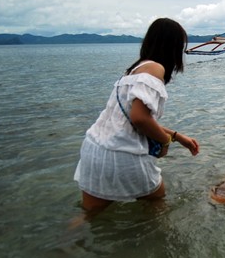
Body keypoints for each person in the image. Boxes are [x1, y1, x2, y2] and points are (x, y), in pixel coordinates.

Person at [73, 18, 200, 220]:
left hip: (95, 149)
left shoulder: (135, 70)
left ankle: (64, 248)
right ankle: (160, 245)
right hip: (122, 152)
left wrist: (177, 136)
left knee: (89, 216)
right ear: (172, 46)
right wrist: (165, 141)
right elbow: (140, 119)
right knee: (157, 200)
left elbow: (130, 121)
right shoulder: (155, 69)